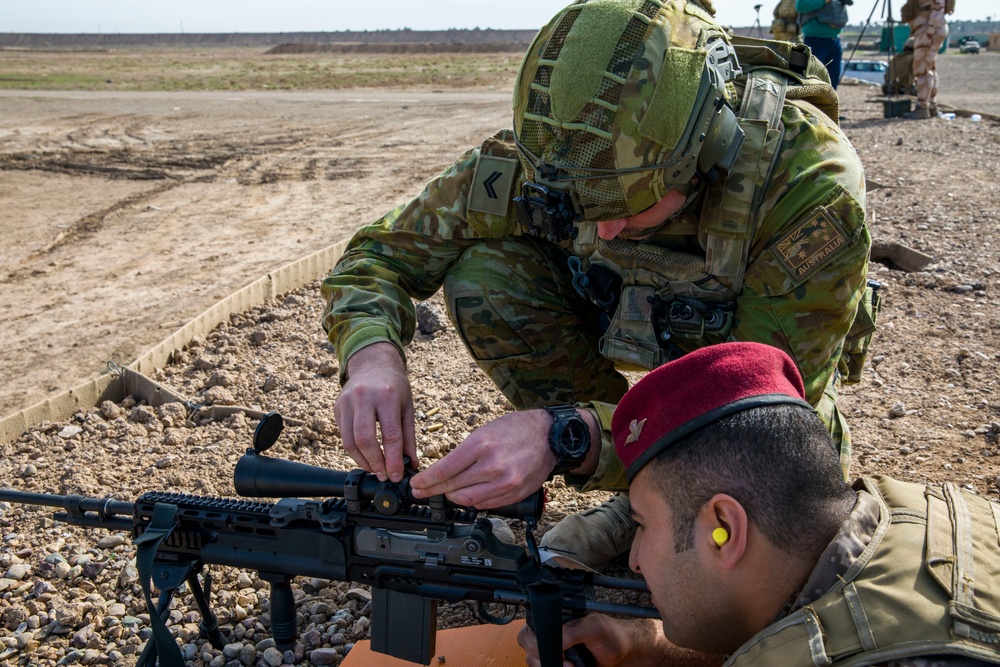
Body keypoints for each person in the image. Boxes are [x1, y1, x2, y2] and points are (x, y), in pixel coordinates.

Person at [321, 0, 874, 571]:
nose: (604, 228)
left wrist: (568, 435)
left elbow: (760, 410)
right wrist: (372, 356)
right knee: (486, 277)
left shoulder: (807, 187)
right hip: (660, 389)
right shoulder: (550, 158)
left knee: (763, 529)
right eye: (584, 205)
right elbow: (377, 254)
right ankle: (642, 486)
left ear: (707, 149)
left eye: (628, 202)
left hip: (759, 408)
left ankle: (650, 495)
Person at [518, 342, 1000, 667]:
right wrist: (646, 645)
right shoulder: (915, 515)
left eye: (642, 524)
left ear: (723, 526)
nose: (636, 558)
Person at [902, 0, 956, 119]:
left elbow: (938, 7)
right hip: (928, 27)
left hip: (928, 29)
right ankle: (931, 105)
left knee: (922, 70)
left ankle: (922, 107)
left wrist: (930, 29)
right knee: (929, 67)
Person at [795, 0, 850, 88]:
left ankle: (830, 100)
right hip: (815, 39)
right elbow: (800, 6)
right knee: (813, 79)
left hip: (834, 40)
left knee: (832, 80)